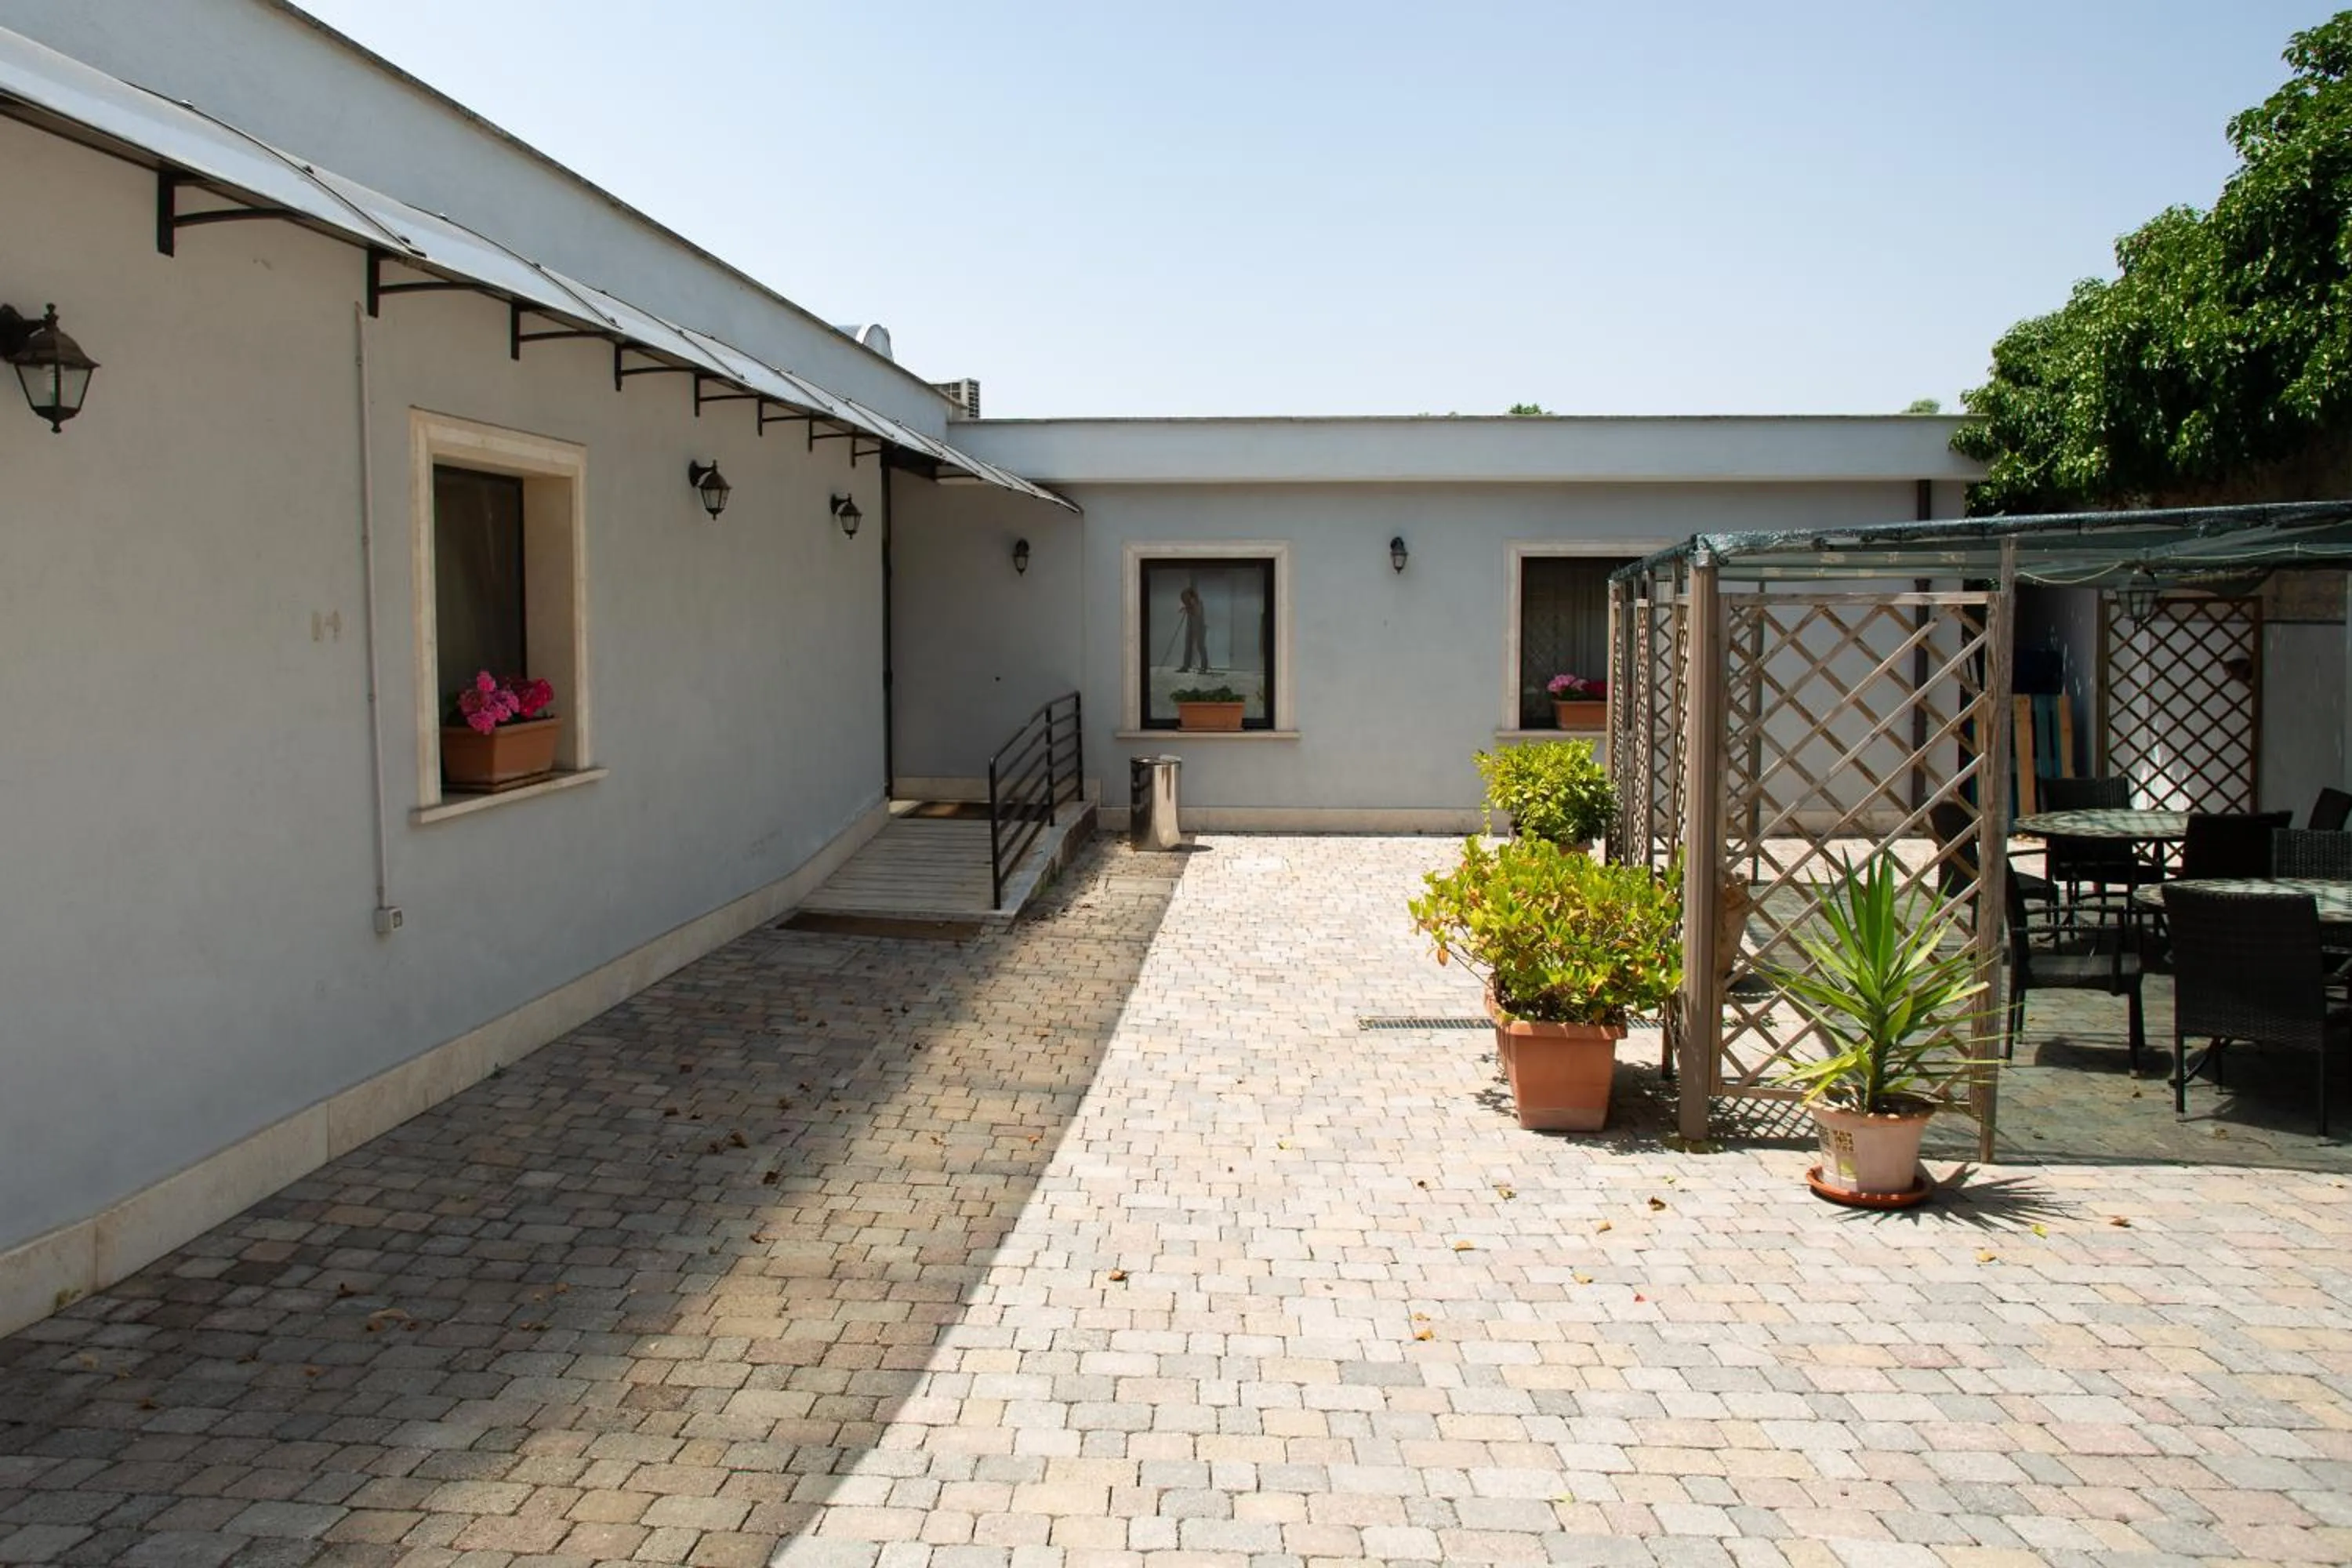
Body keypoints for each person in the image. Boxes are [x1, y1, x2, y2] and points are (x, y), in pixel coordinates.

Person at [1178, 583, 1209, 673]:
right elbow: (1181, 610)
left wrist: (1190, 606)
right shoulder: (1188, 604)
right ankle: (1185, 666)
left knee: (1200, 646)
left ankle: (1204, 668)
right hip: (1190, 626)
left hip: (1200, 627)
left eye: (1187, 597)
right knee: (1188, 645)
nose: (1186, 599)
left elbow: (1198, 614)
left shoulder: (1198, 603)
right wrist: (1185, 608)